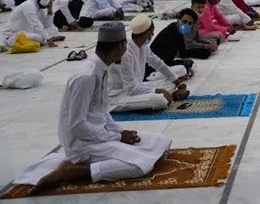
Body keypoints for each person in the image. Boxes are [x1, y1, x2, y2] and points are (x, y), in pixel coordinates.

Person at [12, 22, 172, 191]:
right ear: (121, 46)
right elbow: (77, 126)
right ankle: (73, 171)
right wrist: (116, 137)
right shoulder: (86, 76)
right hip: (81, 144)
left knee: (160, 142)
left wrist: (119, 132)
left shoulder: (102, 68)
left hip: (99, 135)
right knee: (140, 165)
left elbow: (102, 111)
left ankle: (98, 160)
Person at [108, 15, 189, 112]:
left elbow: (158, 63)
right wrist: (159, 91)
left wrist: (178, 83)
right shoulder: (125, 53)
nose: (153, 34)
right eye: (152, 32)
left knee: (170, 83)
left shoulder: (143, 46)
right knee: (158, 100)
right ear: (148, 33)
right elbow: (132, 90)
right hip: (120, 96)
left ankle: (169, 96)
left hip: (138, 86)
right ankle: (168, 97)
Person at [149, 7, 216, 74]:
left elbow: (183, 52)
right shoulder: (171, 32)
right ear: (179, 20)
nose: (186, 25)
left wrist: (186, 64)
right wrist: (185, 67)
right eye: (184, 21)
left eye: (189, 23)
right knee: (182, 69)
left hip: (165, 61)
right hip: (155, 66)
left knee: (189, 63)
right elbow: (166, 62)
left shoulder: (179, 31)